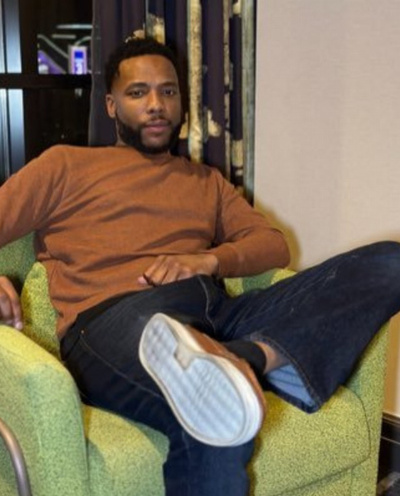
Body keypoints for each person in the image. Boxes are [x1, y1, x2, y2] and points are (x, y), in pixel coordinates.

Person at [0, 36, 400, 495]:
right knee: (218, 415)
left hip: (217, 315)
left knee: (389, 263)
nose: (156, 104)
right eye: (138, 92)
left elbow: (272, 246)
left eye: (168, 91)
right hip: (116, 319)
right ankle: (230, 371)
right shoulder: (65, 166)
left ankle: (246, 357)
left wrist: (207, 260)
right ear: (111, 105)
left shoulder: (206, 181)